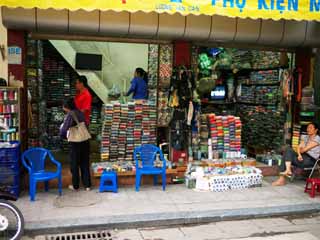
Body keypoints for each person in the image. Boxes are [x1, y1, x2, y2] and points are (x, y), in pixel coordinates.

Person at [272, 122, 320, 186]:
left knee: (286, 156)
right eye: (308, 127)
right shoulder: (306, 137)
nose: (308, 129)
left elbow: (304, 150)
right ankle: (288, 170)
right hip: (302, 157)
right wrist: (299, 154)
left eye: (311, 128)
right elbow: (298, 147)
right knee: (288, 150)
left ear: (316, 130)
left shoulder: (317, 138)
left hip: (310, 160)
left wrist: (300, 151)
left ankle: (282, 179)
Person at [60, 98, 91, 191]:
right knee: (84, 163)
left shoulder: (70, 115)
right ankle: (87, 185)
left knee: (74, 164)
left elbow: (64, 129)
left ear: (66, 107)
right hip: (85, 140)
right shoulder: (80, 112)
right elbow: (86, 124)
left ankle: (76, 185)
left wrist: (63, 136)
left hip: (75, 142)